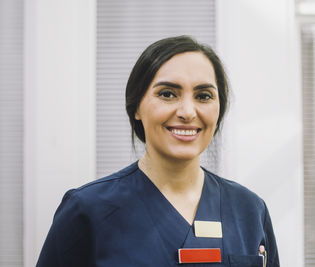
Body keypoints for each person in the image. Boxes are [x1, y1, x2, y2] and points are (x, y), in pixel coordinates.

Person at [36, 36, 279, 267]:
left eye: (203, 96)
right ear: (136, 107)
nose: (187, 112)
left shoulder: (249, 210)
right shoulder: (87, 211)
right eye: (167, 94)